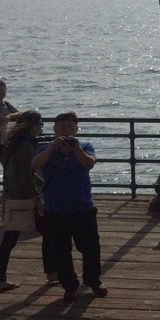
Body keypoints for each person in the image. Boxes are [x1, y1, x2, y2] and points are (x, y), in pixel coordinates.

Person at [34, 112, 106, 303]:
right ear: (55, 129)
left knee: (90, 247)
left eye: (70, 126)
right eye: (62, 126)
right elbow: (34, 165)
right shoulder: (44, 148)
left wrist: (76, 150)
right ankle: (70, 286)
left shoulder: (85, 146)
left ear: (76, 128)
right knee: (61, 250)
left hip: (83, 206)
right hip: (56, 209)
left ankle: (93, 280)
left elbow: (89, 164)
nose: (66, 130)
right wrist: (52, 148)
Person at [0, 111, 50, 292]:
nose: (41, 128)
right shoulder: (26, 147)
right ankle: (52, 271)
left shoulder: (13, 143)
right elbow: (26, 176)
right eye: (40, 125)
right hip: (24, 199)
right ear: (34, 126)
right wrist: (36, 197)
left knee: (9, 239)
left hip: (12, 197)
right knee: (48, 232)